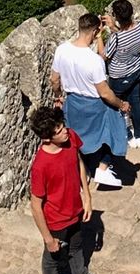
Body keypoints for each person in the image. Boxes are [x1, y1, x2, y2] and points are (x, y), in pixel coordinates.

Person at [28, 105, 107, 274]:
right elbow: (36, 205)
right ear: (46, 138)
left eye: (63, 125)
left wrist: (87, 195)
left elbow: (78, 161)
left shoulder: (70, 138)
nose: (65, 131)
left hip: (75, 211)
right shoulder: (41, 166)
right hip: (56, 220)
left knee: (77, 246)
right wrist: (48, 238)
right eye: (59, 130)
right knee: (51, 260)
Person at [50, 13, 131, 189]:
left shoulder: (62, 50)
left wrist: (58, 96)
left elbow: (54, 80)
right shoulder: (94, 61)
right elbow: (105, 94)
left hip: (73, 103)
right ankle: (103, 168)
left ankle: (82, 173)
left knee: (75, 139)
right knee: (116, 130)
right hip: (94, 107)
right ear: (95, 32)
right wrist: (121, 104)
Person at [99, 0, 140, 150]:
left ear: (116, 17)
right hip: (137, 70)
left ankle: (128, 135)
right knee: (136, 101)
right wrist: (114, 27)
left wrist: (99, 36)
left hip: (119, 77)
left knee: (117, 105)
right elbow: (126, 36)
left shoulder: (116, 38)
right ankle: (139, 135)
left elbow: (103, 56)